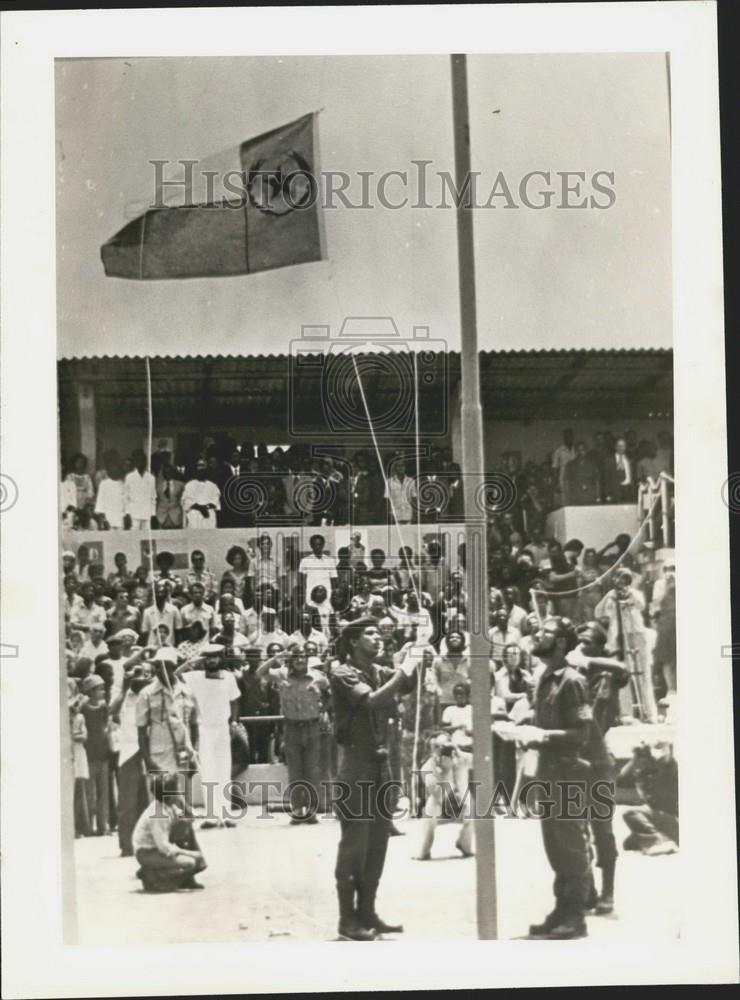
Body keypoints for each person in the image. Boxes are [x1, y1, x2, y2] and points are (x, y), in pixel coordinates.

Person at [330, 617, 423, 940]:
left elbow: (406, 685)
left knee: (377, 845)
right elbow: (371, 700)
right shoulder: (342, 672)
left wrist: (417, 651)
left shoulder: (380, 670)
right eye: (368, 633)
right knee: (355, 845)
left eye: (377, 632)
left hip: (381, 764)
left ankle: (367, 911)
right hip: (356, 765)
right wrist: (403, 669)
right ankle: (347, 919)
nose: (377, 637)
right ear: (353, 641)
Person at [515, 616, 593, 940]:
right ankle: (561, 909)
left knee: (572, 846)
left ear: (561, 642)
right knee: (555, 847)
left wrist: (542, 736)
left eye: (545, 632)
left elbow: (581, 733)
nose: (537, 635)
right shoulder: (546, 678)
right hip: (547, 771)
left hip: (568, 773)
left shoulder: (572, 681)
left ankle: (575, 916)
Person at [567, 622, 630, 916]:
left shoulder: (606, 675)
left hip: (599, 761)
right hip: (574, 760)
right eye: (578, 641)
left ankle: (609, 892)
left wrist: (588, 661)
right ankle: (587, 889)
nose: (580, 645)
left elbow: (621, 668)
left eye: (588, 641)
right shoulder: (572, 677)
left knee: (602, 830)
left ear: (598, 647)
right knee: (575, 830)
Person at [257, 643, 330, 823]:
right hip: (291, 728)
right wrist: (276, 658)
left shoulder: (317, 677)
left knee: (312, 770)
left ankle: (311, 809)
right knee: (295, 771)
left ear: (307, 659)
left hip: (312, 728)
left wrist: (323, 706)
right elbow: (260, 672)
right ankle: (298, 809)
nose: (299, 660)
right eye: (295, 657)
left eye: (302, 657)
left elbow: (330, 691)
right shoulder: (281, 674)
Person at [177, 644, 241, 829]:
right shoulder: (194, 677)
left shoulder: (228, 677)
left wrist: (234, 722)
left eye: (216, 657)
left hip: (222, 728)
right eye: (209, 657)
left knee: (224, 771)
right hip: (204, 728)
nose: (212, 660)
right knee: (208, 773)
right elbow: (173, 675)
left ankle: (226, 814)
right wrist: (191, 663)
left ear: (220, 658)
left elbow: (235, 699)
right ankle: (212, 816)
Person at [595, 569, 657, 722]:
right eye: (618, 580)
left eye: (624, 580)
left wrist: (629, 594)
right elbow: (598, 613)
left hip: (636, 634)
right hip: (619, 637)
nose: (621, 584)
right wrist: (610, 596)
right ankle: (626, 713)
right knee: (624, 675)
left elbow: (642, 605)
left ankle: (650, 713)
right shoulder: (610, 596)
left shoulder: (635, 593)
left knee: (644, 674)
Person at [132, 771, 207, 892]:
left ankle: (187, 879)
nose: (180, 791)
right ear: (170, 794)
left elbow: (189, 819)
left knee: (185, 826)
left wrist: (183, 804)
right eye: (177, 789)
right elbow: (164, 847)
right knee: (190, 863)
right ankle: (152, 878)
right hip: (147, 852)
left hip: (157, 847)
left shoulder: (169, 805)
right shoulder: (158, 815)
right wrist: (191, 853)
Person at [110, 661, 153, 857]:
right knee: (127, 803)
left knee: (144, 801)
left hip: (145, 751)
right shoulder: (122, 697)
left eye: (142, 676)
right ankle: (126, 844)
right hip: (128, 752)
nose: (139, 680)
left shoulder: (147, 696)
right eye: (134, 677)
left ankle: (142, 841)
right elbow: (112, 711)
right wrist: (125, 686)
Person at [416, 725, 474, 862]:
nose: (441, 751)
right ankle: (424, 851)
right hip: (441, 804)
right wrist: (446, 770)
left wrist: (458, 751)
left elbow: (482, 761)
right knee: (430, 810)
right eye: (436, 747)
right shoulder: (427, 768)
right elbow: (438, 794)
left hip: (462, 802)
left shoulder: (461, 758)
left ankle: (464, 845)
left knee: (472, 807)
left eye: (443, 746)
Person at [618, 742, 679, 855]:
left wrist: (662, 749)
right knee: (629, 844)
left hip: (674, 819)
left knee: (630, 813)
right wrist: (635, 759)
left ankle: (660, 841)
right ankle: (659, 838)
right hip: (661, 818)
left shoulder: (667, 771)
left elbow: (667, 762)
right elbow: (621, 779)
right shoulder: (644, 774)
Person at [80, 674, 111, 836]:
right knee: (91, 792)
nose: (103, 692)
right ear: (91, 692)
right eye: (100, 689)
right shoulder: (83, 708)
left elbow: (105, 725)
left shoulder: (104, 707)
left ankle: (102, 825)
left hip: (103, 754)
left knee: (103, 792)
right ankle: (89, 826)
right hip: (90, 754)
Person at [183, 458, 221, 528]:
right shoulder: (189, 485)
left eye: (203, 465)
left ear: (207, 468)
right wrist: (200, 508)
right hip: (194, 517)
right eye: (198, 466)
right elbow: (187, 501)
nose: (201, 468)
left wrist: (205, 508)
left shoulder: (213, 486)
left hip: (208, 516)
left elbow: (215, 502)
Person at [124, 450, 156, 530]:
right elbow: (125, 497)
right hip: (133, 514)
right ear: (135, 462)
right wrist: (127, 513)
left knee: (146, 538)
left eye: (142, 460)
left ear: (146, 462)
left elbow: (153, 497)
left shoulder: (151, 478)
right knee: (134, 538)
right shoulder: (129, 477)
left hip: (147, 514)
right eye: (138, 460)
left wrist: (152, 514)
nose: (140, 463)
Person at [299, 534, 337, 600]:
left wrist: (332, 596)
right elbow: (302, 581)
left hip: (327, 596)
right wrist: (305, 597)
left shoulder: (330, 560)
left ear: (323, 545)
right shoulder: (305, 561)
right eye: (315, 545)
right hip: (311, 596)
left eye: (320, 545)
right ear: (311, 546)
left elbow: (333, 579)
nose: (318, 547)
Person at [94, 457, 126, 529]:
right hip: (107, 518)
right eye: (112, 470)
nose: (115, 471)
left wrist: (125, 516)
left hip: (120, 518)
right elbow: (100, 502)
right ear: (109, 472)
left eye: (117, 469)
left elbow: (125, 502)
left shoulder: (123, 485)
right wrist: (103, 518)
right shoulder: (104, 484)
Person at [603, 437, 635, 504]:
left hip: (628, 491)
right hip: (615, 492)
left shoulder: (628, 459)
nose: (621, 448)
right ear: (615, 447)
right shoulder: (609, 460)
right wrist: (608, 494)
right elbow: (606, 478)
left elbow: (631, 474)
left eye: (623, 446)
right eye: (619, 446)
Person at [155, 462, 185, 529]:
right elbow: (156, 500)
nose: (167, 474)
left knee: (176, 537)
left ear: (172, 473)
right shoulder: (158, 486)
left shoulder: (180, 485)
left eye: (169, 472)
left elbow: (183, 499)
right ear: (163, 473)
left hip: (176, 516)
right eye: (165, 472)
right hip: (161, 516)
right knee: (161, 538)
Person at [551, 429, 575, 504]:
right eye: (567, 436)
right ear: (564, 438)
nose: (569, 438)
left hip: (576, 478)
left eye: (571, 436)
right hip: (564, 479)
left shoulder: (576, 449)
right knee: (565, 501)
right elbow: (554, 468)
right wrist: (556, 483)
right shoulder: (558, 451)